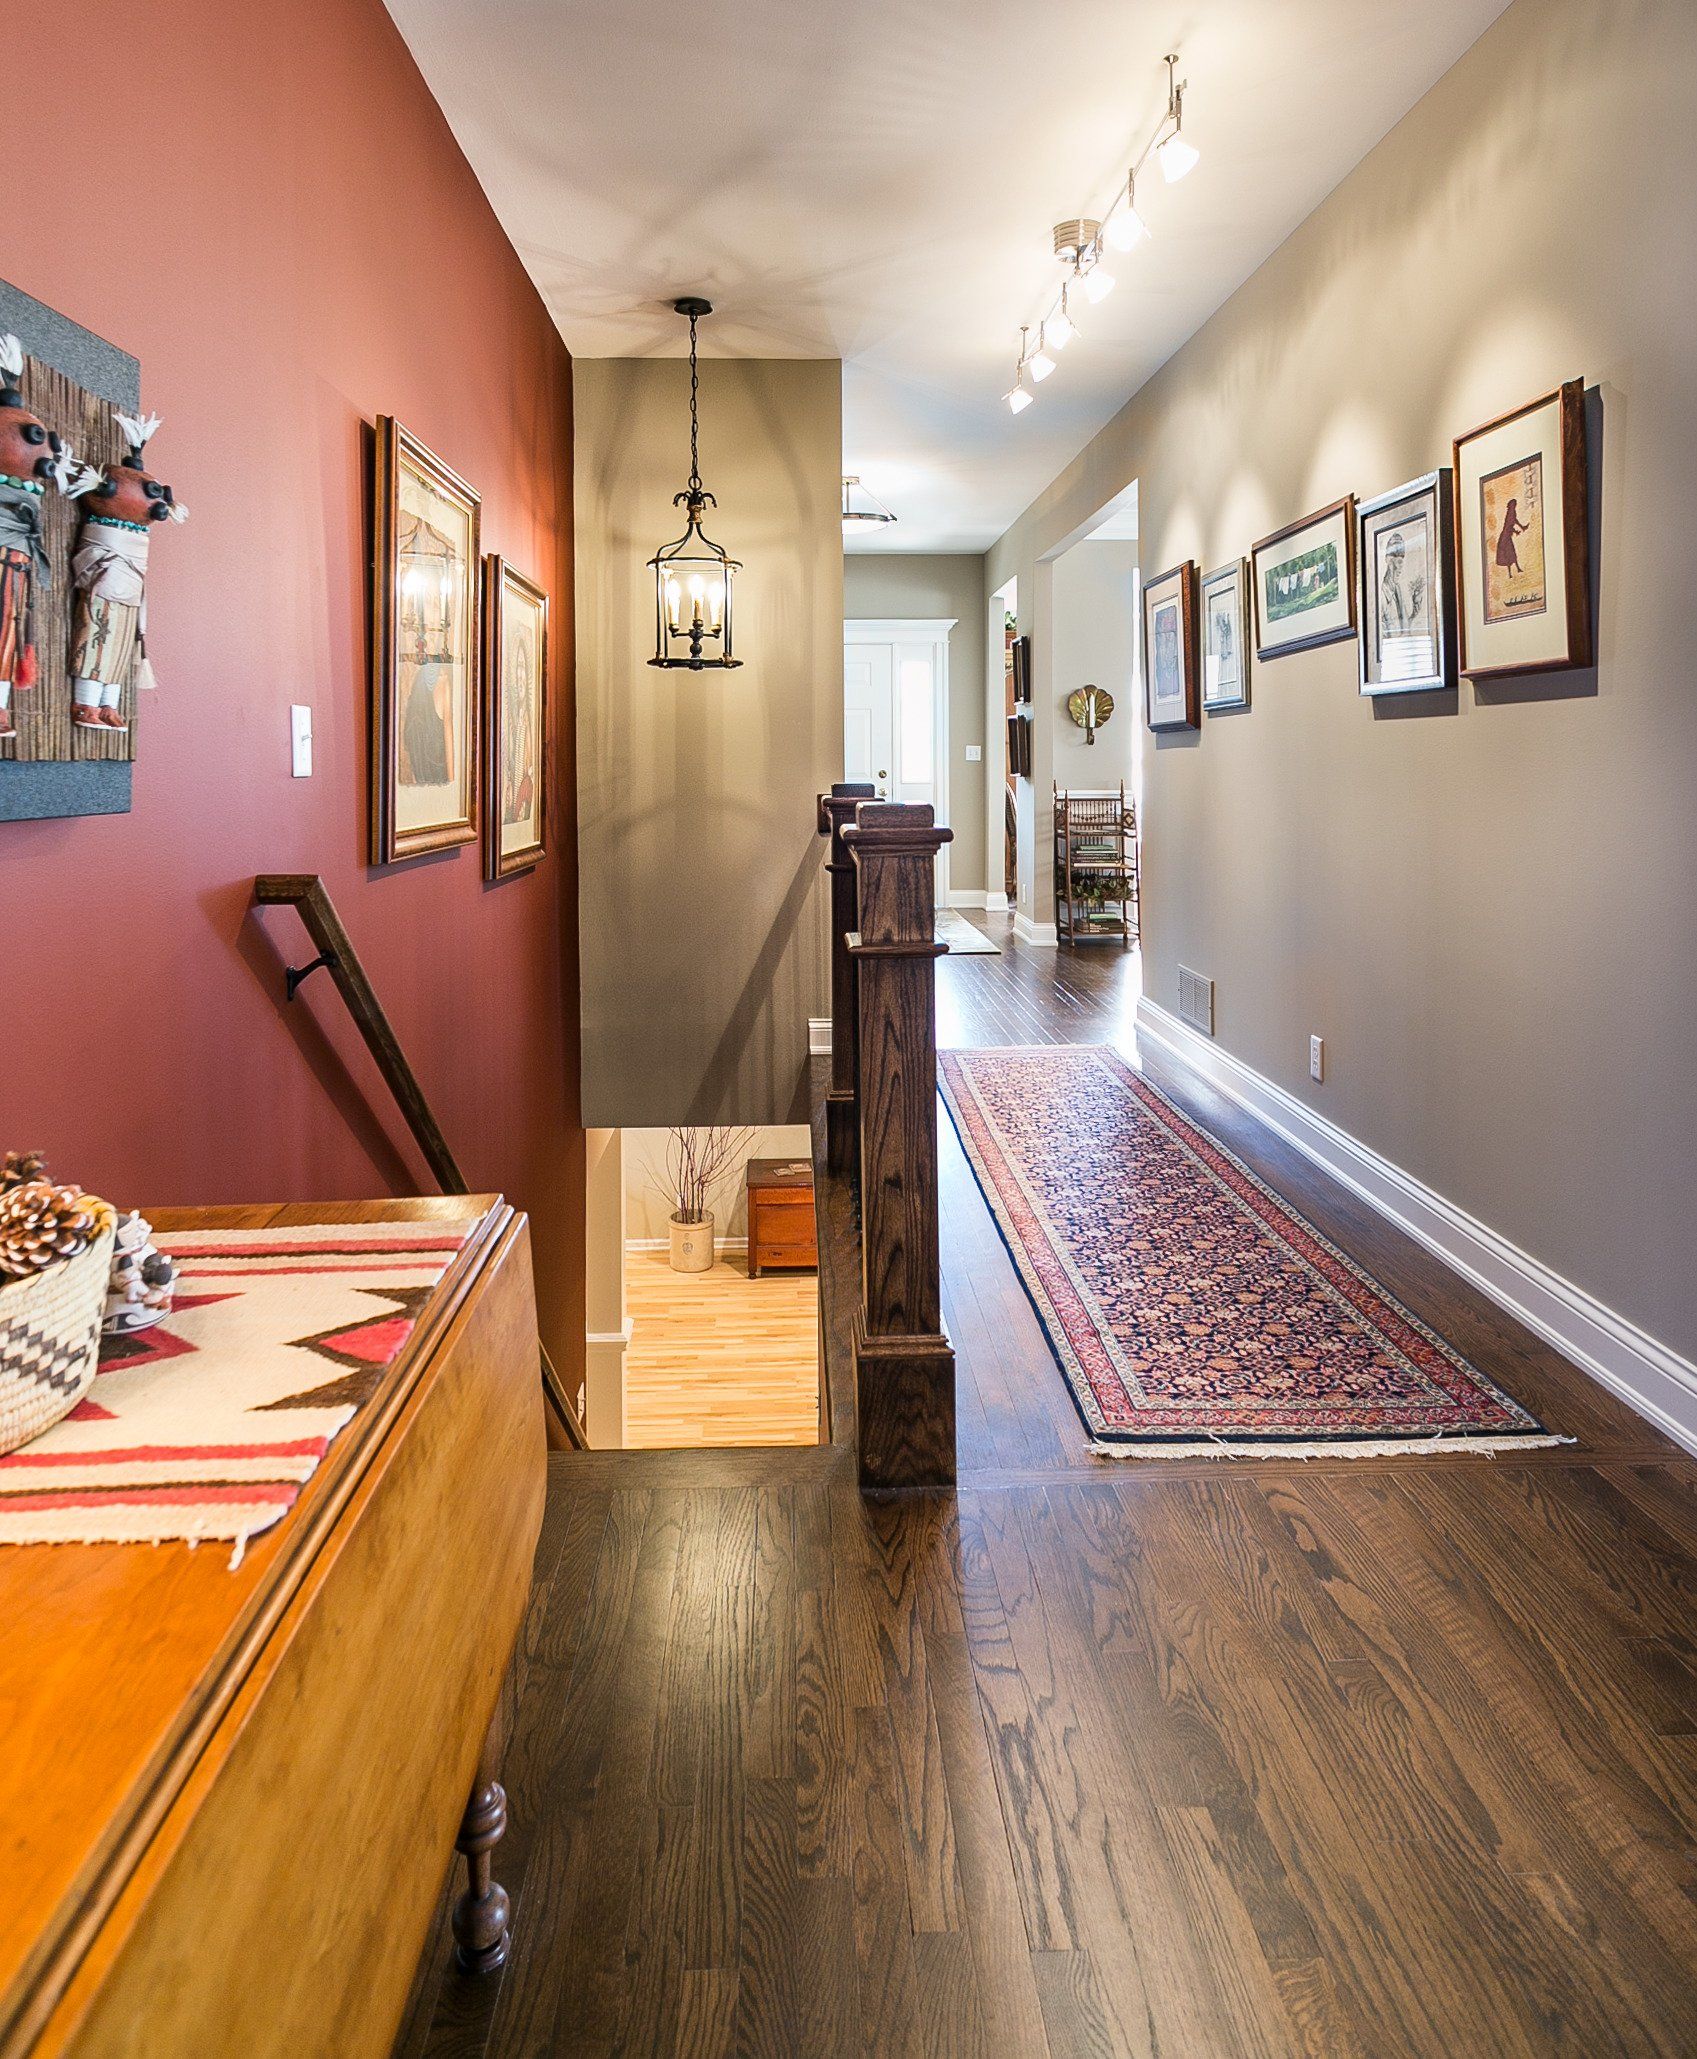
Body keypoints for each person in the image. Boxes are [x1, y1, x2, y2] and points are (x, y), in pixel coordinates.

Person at [1495, 495, 1530, 578]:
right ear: (1512, 505)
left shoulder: (1512, 512)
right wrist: (1518, 529)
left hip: (1507, 536)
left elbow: (1513, 522)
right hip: (1505, 537)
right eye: (1514, 504)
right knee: (1509, 554)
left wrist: (1520, 528)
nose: (1515, 505)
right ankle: (1511, 573)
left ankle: (1516, 569)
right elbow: (1509, 525)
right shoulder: (1511, 513)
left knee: (1511, 553)